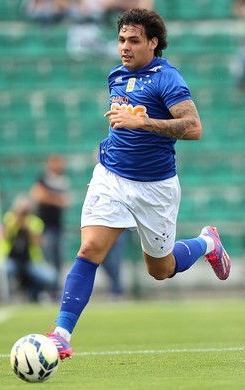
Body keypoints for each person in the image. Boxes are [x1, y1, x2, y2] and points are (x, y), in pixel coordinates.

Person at [46, 8, 231, 361]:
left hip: (155, 188)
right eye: (121, 40)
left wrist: (143, 123)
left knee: (159, 271)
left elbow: (193, 128)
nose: (124, 48)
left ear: (153, 43)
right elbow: (122, 122)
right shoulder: (116, 75)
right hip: (111, 177)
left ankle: (207, 242)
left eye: (133, 41)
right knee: (89, 250)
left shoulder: (168, 79)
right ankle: (61, 334)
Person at [0, 195, 58, 302]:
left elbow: (40, 244)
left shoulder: (35, 222)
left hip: (30, 262)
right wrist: (14, 225)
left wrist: (27, 229)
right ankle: (7, 297)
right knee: (5, 269)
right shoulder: (9, 219)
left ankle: (35, 295)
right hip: (10, 260)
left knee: (50, 276)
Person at [31, 154, 71, 296]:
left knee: (58, 260)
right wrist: (57, 200)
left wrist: (54, 198)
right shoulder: (43, 177)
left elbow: (67, 201)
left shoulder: (62, 179)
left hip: (58, 226)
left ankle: (54, 290)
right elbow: (38, 195)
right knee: (45, 258)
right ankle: (43, 290)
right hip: (44, 226)